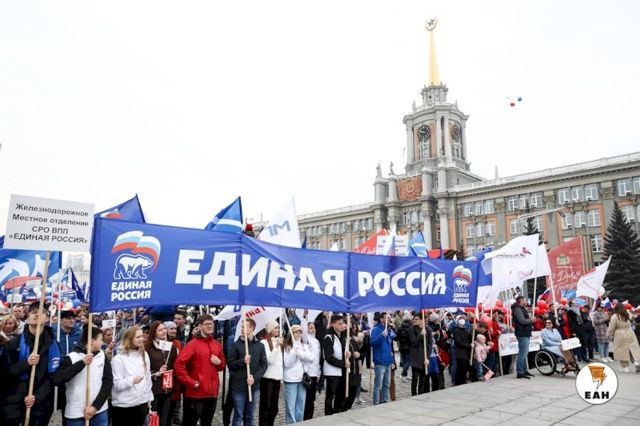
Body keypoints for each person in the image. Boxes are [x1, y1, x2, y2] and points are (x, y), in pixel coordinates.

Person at [2, 302, 61, 426]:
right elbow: (5, 372)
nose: (37, 314)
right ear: (28, 317)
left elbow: (53, 376)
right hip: (14, 401)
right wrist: (26, 363)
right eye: (33, 312)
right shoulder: (13, 344)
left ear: (47, 318)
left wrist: (37, 396)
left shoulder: (53, 345)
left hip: (40, 403)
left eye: (41, 312)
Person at [53, 326, 112, 426]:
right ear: (91, 341)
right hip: (76, 414)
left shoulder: (102, 355)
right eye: (100, 339)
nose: (102, 342)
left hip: (100, 411)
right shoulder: (71, 357)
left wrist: (95, 407)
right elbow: (58, 379)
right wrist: (82, 363)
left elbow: (108, 381)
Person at [228, 317, 267, 426]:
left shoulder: (260, 346)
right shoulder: (236, 345)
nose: (242, 329)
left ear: (252, 328)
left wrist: (255, 378)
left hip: (254, 387)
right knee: (238, 416)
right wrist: (242, 361)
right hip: (239, 387)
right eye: (241, 327)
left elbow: (264, 365)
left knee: (250, 416)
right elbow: (230, 363)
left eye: (244, 327)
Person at [111, 326, 154, 425]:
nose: (142, 339)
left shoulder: (144, 355)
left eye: (142, 336)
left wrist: (149, 399)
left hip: (142, 404)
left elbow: (148, 379)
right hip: (124, 406)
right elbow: (116, 384)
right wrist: (132, 381)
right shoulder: (118, 359)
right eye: (138, 337)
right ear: (129, 339)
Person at [145, 321, 179, 426]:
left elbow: (175, 364)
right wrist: (156, 373)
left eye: (164, 329)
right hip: (154, 389)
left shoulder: (171, 347)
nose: (164, 331)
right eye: (160, 330)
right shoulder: (148, 348)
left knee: (165, 419)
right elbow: (143, 368)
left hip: (167, 388)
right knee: (154, 419)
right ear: (154, 332)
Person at [282, 324, 313, 424]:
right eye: (296, 332)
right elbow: (287, 364)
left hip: (302, 379)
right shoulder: (287, 347)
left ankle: (299, 422)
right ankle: (291, 423)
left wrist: (300, 353)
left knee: (300, 404)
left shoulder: (304, 346)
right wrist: (293, 352)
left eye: (300, 332)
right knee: (290, 405)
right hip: (291, 379)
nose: (298, 334)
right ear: (291, 334)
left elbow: (311, 358)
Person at [322, 314, 347, 415]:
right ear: (333, 324)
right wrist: (342, 363)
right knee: (331, 395)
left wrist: (347, 354)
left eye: (342, 323)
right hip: (332, 371)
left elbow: (341, 351)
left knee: (340, 394)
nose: (342, 325)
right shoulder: (329, 337)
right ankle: (328, 414)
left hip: (341, 370)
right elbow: (328, 356)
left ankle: (338, 412)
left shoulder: (342, 335)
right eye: (339, 324)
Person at [259, 320, 283, 426]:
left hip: (277, 378)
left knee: (274, 408)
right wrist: (276, 346)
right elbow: (270, 360)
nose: (277, 329)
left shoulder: (278, 341)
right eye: (275, 327)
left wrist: (281, 379)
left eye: (278, 327)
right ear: (269, 330)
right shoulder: (264, 343)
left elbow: (280, 363)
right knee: (266, 407)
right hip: (267, 379)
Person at [370, 312, 396, 405]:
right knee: (378, 385)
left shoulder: (388, 329)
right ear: (381, 319)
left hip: (388, 361)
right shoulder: (376, 329)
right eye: (386, 318)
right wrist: (381, 336)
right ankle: (376, 403)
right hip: (380, 361)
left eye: (389, 318)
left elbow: (390, 347)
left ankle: (385, 402)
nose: (388, 320)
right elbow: (372, 343)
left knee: (387, 384)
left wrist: (392, 361)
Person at [607, 304, 640, 373]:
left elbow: (611, 327)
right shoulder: (628, 314)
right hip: (630, 332)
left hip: (620, 334)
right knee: (633, 348)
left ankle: (625, 367)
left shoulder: (615, 316)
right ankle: (636, 361)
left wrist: (608, 334)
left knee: (622, 351)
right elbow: (634, 318)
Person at [341, 322, 362, 411]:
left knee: (353, 391)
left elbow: (359, 350)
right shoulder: (341, 338)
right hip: (346, 369)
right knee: (346, 391)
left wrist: (358, 353)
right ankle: (343, 408)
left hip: (355, 368)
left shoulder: (352, 338)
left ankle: (348, 406)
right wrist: (345, 355)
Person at [512, 296, 534, 379]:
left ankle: (524, 370)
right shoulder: (518, 309)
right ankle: (520, 372)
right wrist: (531, 320)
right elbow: (522, 320)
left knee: (524, 353)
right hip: (522, 333)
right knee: (522, 354)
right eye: (525, 300)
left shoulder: (521, 309)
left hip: (525, 333)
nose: (526, 301)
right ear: (521, 301)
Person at [302, 321, 321, 420]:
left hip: (315, 373)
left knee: (312, 398)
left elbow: (318, 358)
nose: (313, 330)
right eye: (310, 328)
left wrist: (318, 373)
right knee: (307, 397)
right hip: (307, 373)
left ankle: (310, 416)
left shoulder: (317, 341)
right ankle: (305, 417)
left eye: (314, 328)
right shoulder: (305, 340)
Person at [408, 313, 429, 395]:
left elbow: (429, 345)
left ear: (421, 320)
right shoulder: (411, 329)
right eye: (414, 319)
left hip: (424, 358)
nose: (414, 321)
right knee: (415, 378)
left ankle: (421, 394)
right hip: (415, 358)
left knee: (422, 379)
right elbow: (413, 342)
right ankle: (413, 395)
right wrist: (421, 336)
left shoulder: (427, 329)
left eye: (417, 319)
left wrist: (427, 358)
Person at [452, 315, 472, 385]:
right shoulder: (456, 331)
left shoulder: (465, 331)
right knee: (460, 368)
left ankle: (463, 380)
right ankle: (458, 382)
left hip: (466, 353)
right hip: (460, 353)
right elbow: (458, 342)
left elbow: (470, 337)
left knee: (465, 367)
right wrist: (469, 345)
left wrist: (473, 330)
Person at [395, 316, 412, 382]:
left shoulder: (400, 328)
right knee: (408, 362)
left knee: (404, 362)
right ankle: (403, 375)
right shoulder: (411, 328)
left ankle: (405, 375)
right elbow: (411, 339)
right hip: (409, 347)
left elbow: (397, 338)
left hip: (401, 346)